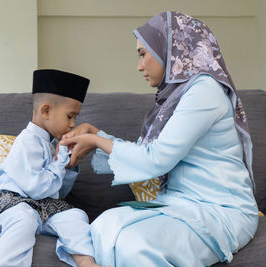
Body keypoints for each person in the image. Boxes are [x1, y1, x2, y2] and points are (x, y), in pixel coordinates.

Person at [60, 12, 259, 266]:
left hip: (219, 209)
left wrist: (96, 141)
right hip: (179, 204)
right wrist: (96, 135)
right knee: (103, 226)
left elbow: (156, 159)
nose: (139, 66)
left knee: (134, 245)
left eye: (143, 53)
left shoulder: (204, 91)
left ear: (170, 49)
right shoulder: (177, 96)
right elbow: (148, 152)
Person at [0, 69, 100, 267]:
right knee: (24, 219)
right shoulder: (27, 141)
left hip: (44, 206)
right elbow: (37, 188)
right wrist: (59, 162)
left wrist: (70, 166)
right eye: (70, 116)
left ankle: (86, 262)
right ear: (46, 111)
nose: (73, 124)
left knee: (75, 216)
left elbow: (57, 193)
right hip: (14, 203)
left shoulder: (51, 144)